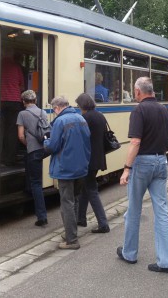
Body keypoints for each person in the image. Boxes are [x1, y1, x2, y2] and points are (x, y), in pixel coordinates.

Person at [117, 77, 168, 274]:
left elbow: (135, 142)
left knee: (134, 209)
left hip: (142, 163)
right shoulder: (164, 110)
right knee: (162, 211)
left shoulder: (139, 110)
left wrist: (127, 168)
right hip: (161, 162)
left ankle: (129, 253)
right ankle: (167, 262)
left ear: (137, 91)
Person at [43, 95, 91, 250]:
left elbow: (53, 146)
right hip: (81, 167)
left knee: (67, 204)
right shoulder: (81, 118)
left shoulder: (60, 121)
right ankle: (72, 232)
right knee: (75, 200)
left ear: (57, 108)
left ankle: (71, 240)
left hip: (66, 169)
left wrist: (46, 140)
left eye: (53, 110)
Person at [74, 93, 110, 233]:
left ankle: (103, 224)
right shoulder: (100, 115)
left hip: (88, 158)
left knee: (91, 190)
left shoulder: (85, 118)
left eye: (78, 105)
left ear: (82, 105)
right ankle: (81, 218)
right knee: (86, 187)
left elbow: (81, 138)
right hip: (98, 157)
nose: (78, 107)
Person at [16, 90, 48, 227]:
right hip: (43, 149)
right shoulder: (43, 112)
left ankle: (42, 217)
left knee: (36, 183)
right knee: (30, 165)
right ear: (35, 100)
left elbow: (21, 136)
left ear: (23, 102)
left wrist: (28, 144)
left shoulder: (22, 114)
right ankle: (28, 189)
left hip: (33, 150)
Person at [0, 48, 25, 166]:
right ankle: (10, 159)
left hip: (0, 101)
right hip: (14, 101)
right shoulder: (16, 67)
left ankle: (0, 156)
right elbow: (22, 86)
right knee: (12, 131)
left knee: (1, 130)